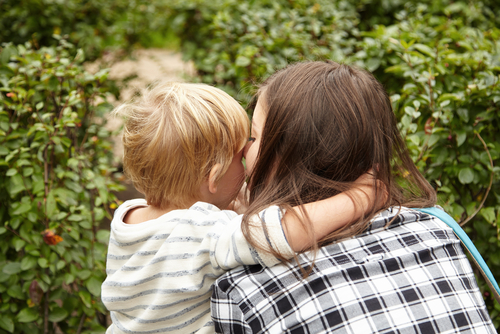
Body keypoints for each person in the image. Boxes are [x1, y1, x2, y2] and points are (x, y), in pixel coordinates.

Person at [211, 61, 496, 333]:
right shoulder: (437, 230)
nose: (244, 151)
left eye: (253, 136)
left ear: (290, 156)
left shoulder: (243, 286)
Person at [101, 82, 379, 334]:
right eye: (240, 155)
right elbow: (281, 232)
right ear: (213, 178)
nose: (247, 155)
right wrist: (363, 196)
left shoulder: (128, 217)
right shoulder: (202, 233)